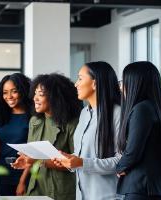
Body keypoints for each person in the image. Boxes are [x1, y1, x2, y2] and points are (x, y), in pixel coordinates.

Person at [54, 61, 122, 200]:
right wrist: (68, 159)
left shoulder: (117, 113)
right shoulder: (84, 113)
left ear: (95, 84)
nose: (76, 84)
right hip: (82, 196)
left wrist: (81, 162)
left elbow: (122, 161)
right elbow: (83, 154)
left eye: (80, 78)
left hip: (108, 196)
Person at [12, 73, 82, 200]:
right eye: (35, 93)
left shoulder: (72, 124)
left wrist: (38, 161)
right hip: (36, 187)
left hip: (60, 190)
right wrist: (25, 165)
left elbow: (75, 163)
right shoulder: (35, 121)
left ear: (56, 97)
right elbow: (31, 156)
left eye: (41, 94)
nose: (35, 98)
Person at [116, 61, 161, 200]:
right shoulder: (155, 107)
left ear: (135, 83)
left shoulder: (141, 109)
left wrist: (119, 167)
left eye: (123, 81)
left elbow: (133, 150)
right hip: (155, 187)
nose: (121, 87)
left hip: (142, 187)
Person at [0, 73, 32, 196]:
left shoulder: (33, 117)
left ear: (23, 91)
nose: (9, 96)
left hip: (24, 173)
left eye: (14, 91)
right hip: (2, 173)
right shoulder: (1, 115)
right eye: (5, 92)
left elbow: (33, 151)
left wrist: (22, 182)